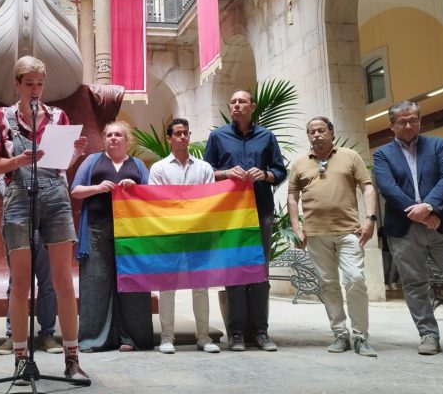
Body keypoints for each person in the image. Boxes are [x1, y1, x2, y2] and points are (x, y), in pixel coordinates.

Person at [0, 55, 88, 381]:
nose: (35, 89)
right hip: (19, 198)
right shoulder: (2, 116)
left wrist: (75, 153)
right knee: (20, 282)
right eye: (28, 83)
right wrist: (19, 158)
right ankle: (20, 357)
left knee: (62, 281)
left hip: (55, 197)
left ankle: (72, 358)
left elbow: (61, 166)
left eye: (39, 84)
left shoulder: (59, 116)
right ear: (17, 84)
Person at [373, 100, 443, 355]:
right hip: (404, 231)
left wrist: (429, 207)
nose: (408, 124)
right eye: (402, 121)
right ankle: (428, 335)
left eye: (413, 119)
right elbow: (388, 189)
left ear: (419, 120)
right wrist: (421, 215)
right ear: (391, 125)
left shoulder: (437, 145)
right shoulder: (382, 154)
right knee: (414, 284)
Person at [287, 116, 378, 357]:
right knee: (328, 285)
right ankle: (340, 334)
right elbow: (292, 197)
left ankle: (360, 336)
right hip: (315, 235)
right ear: (308, 136)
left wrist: (370, 219)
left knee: (355, 280)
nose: (316, 134)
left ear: (331, 133)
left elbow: (367, 187)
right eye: (312, 131)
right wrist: (296, 227)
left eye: (321, 130)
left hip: (349, 232)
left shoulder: (350, 156)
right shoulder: (299, 164)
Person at [203, 89, 286, 351]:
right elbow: (206, 172)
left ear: (252, 106)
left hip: (261, 211)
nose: (236, 105)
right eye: (233, 101)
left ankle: (261, 332)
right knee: (234, 272)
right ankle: (236, 333)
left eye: (241, 101)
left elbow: (280, 170)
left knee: (260, 273)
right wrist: (226, 173)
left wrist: (265, 174)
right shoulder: (217, 136)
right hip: (229, 215)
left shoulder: (267, 136)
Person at [71, 121, 153, 352]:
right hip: (96, 230)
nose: (113, 138)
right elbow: (75, 191)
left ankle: (132, 338)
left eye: (118, 135)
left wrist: (134, 188)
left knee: (131, 284)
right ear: (104, 139)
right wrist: (97, 188)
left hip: (131, 233)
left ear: (127, 141)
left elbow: (151, 196)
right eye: (109, 135)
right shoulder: (92, 161)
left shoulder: (138, 165)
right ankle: (93, 339)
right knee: (95, 283)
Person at [148, 118, 220, 354]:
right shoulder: (158, 169)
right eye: (177, 134)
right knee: (167, 286)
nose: (182, 137)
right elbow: (157, 201)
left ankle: (204, 337)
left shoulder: (204, 168)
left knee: (201, 286)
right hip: (169, 235)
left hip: (198, 235)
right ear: (169, 138)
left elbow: (209, 201)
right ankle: (167, 337)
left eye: (185, 133)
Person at [0, 175, 62, 356]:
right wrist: (22, 192)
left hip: (46, 225)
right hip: (17, 224)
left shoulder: (49, 158)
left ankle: (47, 335)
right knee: (16, 284)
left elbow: (60, 185)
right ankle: (14, 336)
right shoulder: (10, 154)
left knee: (47, 284)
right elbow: (0, 185)